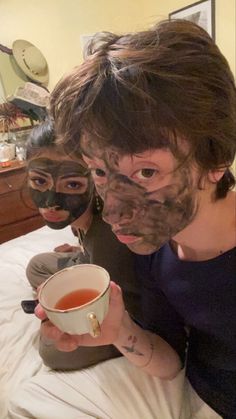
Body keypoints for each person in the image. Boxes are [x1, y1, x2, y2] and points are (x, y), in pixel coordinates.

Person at [11, 19, 235, 419]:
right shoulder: (156, 250)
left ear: (215, 160)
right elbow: (170, 361)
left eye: (145, 172)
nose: (112, 212)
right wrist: (119, 332)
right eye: (99, 172)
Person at [25, 118, 141, 370]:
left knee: (52, 352)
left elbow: (127, 306)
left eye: (73, 184)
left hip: (122, 301)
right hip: (94, 259)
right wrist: (80, 250)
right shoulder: (81, 217)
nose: (50, 201)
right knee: (36, 266)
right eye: (39, 181)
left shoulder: (106, 235)